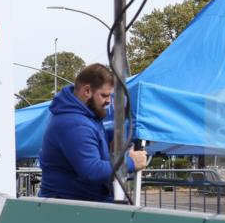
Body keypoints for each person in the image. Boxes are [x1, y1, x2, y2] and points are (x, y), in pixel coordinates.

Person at [39, 63, 148, 202]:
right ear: (87, 91)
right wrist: (130, 163)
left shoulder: (83, 117)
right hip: (72, 209)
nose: (109, 101)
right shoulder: (75, 124)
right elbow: (91, 170)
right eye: (104, 95)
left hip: (76, 203)